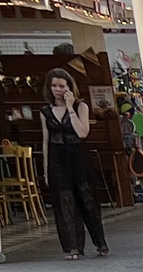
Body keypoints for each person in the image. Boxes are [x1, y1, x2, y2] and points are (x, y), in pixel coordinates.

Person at [38, 67, 108, 259]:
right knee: (64, 203)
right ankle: (73, 247)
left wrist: (70, 107)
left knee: (88, 200)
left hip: (79, 157)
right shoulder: (45, 112)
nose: (57, 90)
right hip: (57, 159)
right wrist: (45, 168)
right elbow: (46, 140)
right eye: (54, 86)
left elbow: (82, 132)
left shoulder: (81, 107)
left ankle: (100, 242)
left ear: (69, 87)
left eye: (61, 85)